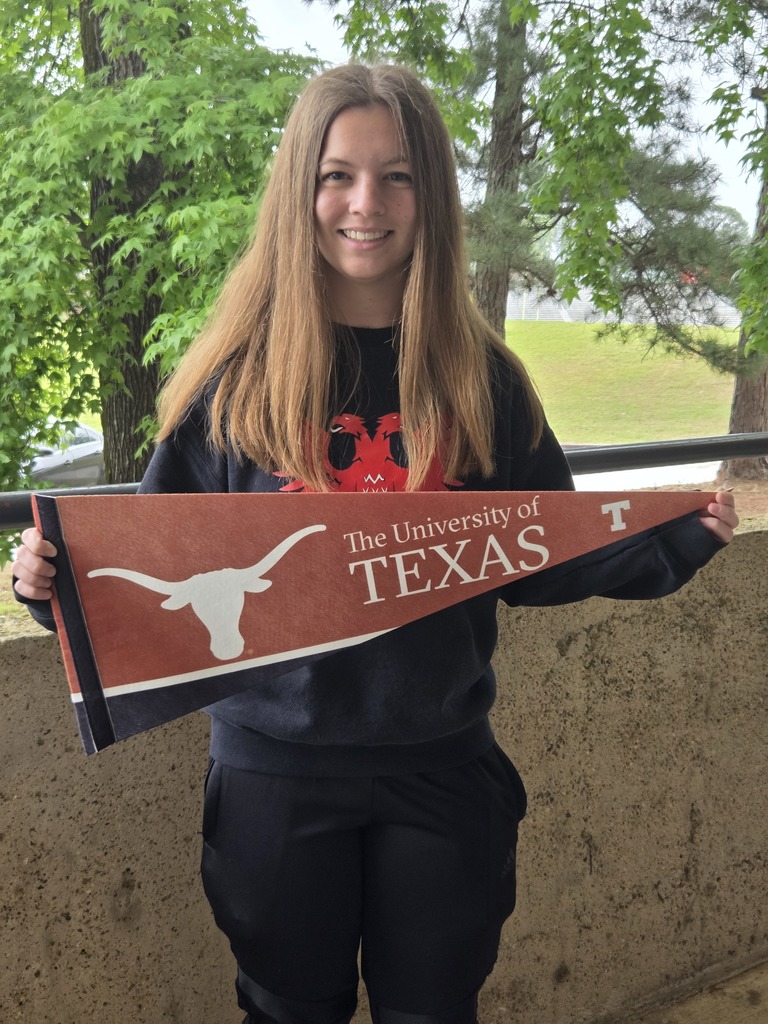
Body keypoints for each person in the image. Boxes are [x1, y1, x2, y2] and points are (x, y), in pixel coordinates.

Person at [13, 64, 738, 1024]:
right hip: (273, 780)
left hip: (443, 770)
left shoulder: (483, 381)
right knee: (286, 1010)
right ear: (299, 194)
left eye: (397, 176)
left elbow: (545, 549)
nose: (366, 203)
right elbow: (145, 575)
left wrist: (676, 535)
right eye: (336, 175)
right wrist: (49, 585)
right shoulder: (232, 388)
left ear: (430, 195)